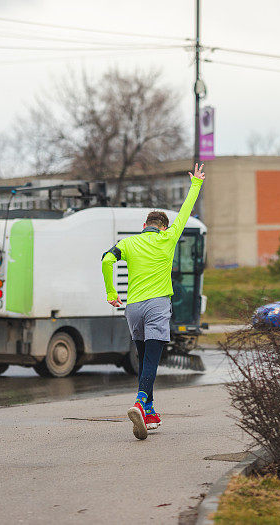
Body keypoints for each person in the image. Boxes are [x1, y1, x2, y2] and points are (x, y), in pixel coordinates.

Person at [101, 163, 205, 440]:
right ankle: (140, 401)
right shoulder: (169, 239)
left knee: (145, 357)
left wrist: (112, 292)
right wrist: (195, 183)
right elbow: (184, 212)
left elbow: (106, 260)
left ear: (144, 226)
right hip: (157, 305)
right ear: (164, 227)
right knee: (152, 361)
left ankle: (149, 412)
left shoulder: (128, 242)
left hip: (133, 309)